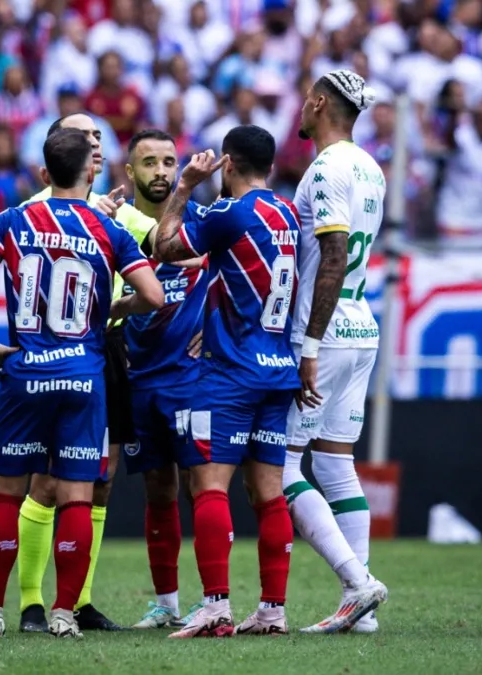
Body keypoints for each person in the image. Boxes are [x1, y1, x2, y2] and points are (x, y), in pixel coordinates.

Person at [0, 127, 164, 639]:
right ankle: (65, 613)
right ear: (90, 171)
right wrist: (117, 307)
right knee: (76, 497)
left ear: (44, 174)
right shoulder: (105, 228)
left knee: (4, 497)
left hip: (23, 373)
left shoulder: (13, 218)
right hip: (83, 376)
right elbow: (155, 296)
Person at [15, 112, 157, 634]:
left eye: (99, 135)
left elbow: (171, 245)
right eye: (83, 136)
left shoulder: (122, 218)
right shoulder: (36, 208)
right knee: (50, 481)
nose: (95, 143)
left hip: (108, 352)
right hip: (54, 353)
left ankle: (78, 601)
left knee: (101, 480)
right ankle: (31, 602)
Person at [154, 125, 299, 638]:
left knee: (208, 485)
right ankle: (273, 610)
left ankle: (216, 605)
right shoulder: (289, 213)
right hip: (279, 369)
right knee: (269, 492)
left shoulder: (226, 213)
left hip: (230, 370)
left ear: (229, 164)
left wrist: (185, 186)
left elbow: (163, 245)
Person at [283, 69, 389, 635]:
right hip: (362, 326)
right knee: (335, 464)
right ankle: (362, 614)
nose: (300, 107)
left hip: (326, 334)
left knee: (279, 469)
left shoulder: (325, 169)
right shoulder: (370, 167)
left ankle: (356, 582)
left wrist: (310, 344)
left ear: (320, 103)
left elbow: (333, 254)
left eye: (306, 99)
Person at [117, 129, 208, 629]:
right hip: (138, 377)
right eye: (148, 163)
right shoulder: (117, 226)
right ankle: (167, 604)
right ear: (129, 172)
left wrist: (214, 334)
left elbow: (239, 281)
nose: (161, 172)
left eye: (169, 162)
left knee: (204, 485)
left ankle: (214, 596)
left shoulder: (199, 224)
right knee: (158, 489)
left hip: (192, 378)